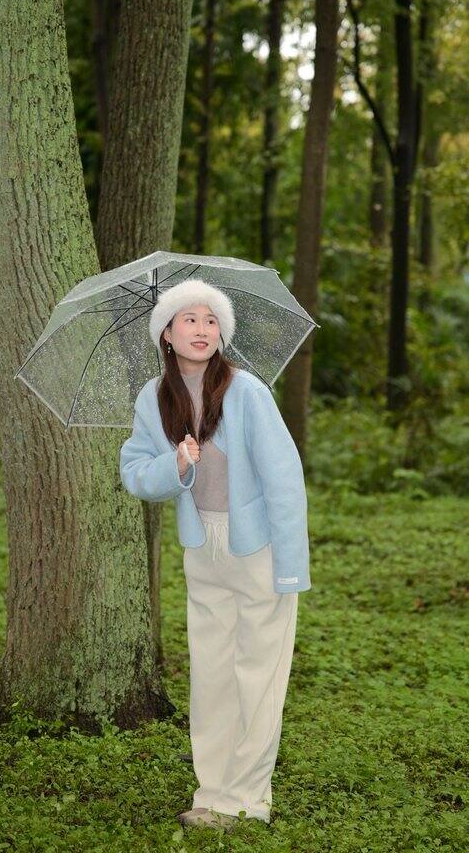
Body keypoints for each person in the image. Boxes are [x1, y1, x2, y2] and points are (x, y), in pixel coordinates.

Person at [119, 279, 311, 832]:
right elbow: (135, 474)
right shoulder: (154, 399)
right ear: (167, 334)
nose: (202, 329)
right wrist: (176, 464)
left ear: (221, 333)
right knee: (211, 675)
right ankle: (212, 793)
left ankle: (248, 798)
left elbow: (284, 478)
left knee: (258, 674)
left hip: (259, 550)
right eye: (189, 320)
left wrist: (291, 566)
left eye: (210, 320)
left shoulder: (247, 391)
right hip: (203, 551)